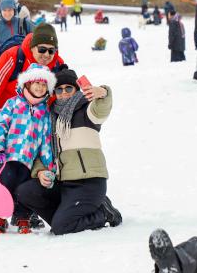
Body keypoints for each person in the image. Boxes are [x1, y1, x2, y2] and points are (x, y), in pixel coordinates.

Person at [0, 24, 65, 225]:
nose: (46, 54)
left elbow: (71, 83)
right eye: (41, 49)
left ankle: (21, 212)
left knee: (27, 162)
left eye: (51, 50)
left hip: (29, 117)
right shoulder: (14, 57)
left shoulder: (57, 65)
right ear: (32, 47)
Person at [17, 66, 122, 234]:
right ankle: (65, 219)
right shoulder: (50, 118)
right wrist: (40, 171)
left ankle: (103, 213)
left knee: (61, 227)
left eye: (69, 88)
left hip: (89, 183)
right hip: (64, 183)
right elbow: (41, 152)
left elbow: (101, 108)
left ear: (76, 89)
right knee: (25, 191)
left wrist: (102, 92)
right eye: (59, 89)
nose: (64, 92)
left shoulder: (87, 110)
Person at [0, 64, 57, 234]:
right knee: (5, 185)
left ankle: (22, 218)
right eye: (37, 83)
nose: (40, 88)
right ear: (27, 84)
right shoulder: (13, 103)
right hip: (8, 158)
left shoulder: (45, 113)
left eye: (44, 85)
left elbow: (45, 142)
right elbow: (0, 126)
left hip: (28, 161)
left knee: (22, 188)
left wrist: (50, 166)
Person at [0, 0, 32, 77]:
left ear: (14, 10)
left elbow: (38, 35)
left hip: (25, 67)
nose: (7, 13)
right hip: (4, 68)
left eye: (10, 10)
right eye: (4, 10)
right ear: (0, 11)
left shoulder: (24, 24)